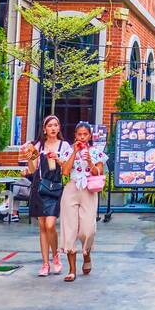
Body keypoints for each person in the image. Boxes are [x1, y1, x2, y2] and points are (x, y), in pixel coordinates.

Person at [24, 115, 70, 277]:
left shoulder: (64, 146)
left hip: (55, 187)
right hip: (40, 186)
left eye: (55, 125)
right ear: (44, 129)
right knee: (42, 226)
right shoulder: (38, 145)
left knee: (50, 224)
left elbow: (68, 168)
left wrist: (58, 159)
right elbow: (32, 169)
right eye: (49, 125)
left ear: (59, 128)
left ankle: (55, 256)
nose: (53, 128)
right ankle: (45, 263)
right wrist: (29, 156)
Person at [59, 121, 104, 282]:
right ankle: (72, 269)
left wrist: (90, 161)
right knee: (69, 228)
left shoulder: (96, 151)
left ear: (90, 136)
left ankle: (87, 254)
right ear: (75, 135)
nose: (82, 137)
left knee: (88, 229)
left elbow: (99, 171)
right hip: (72, 188)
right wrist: (74, 152)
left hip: (89, 189)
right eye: (79, 134)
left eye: (85, 134)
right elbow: (64, 171)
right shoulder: (69, 150)